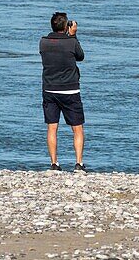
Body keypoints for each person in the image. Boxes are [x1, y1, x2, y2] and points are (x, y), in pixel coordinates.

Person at [39, 11, 86, 172]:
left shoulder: (43, 42)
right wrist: (72, 35)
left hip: (49, 89)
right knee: (77, 128)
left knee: (52, 127)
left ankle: (54, 163)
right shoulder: (70, 43)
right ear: (66, 26)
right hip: (70, 90)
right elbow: (80, 56)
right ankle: (78, 163)